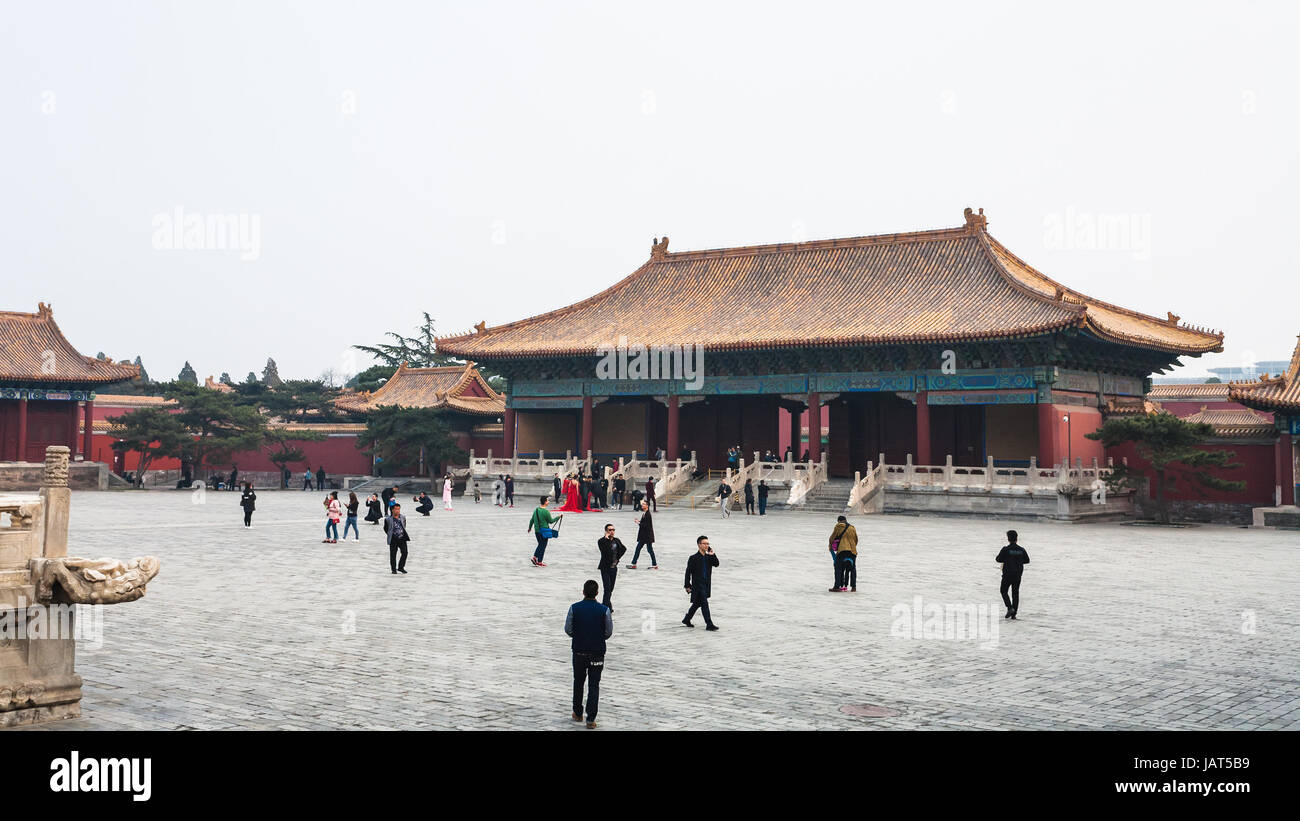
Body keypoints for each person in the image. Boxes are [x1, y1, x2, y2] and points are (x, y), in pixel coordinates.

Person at [564, 579, 612, 729]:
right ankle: (590, 719)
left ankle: (577, 712)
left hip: (579, 651)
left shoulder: (574, 608)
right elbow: (608, 632)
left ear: (583, 592)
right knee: (594, 684)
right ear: (597, 593)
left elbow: (568, 629)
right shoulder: (604, 610)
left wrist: (578, 636)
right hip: (597, 652)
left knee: (578, 681)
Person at [683, 536, 720, 630]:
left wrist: (713, 554)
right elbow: (688, 572)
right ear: (699, 545)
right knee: (704, 603)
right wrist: (687, 585)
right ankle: (709, 624)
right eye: (704, 543)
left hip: (706, 584)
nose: (707, 545)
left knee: (697, 603)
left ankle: (687, 619)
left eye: (708, 544)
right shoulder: (693, 558)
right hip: (697, 585)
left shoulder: (709, 557)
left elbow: (716, 564)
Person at [996, 530, 1030, 619]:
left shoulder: (1005, 549)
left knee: (1003, 591)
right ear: (1016, 538)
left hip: (1007, 574)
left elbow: (998, 559)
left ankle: (1010, 608)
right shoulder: (1021, 550)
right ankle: (1014, 614)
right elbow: (1027, 560)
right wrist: (1018, 560)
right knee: (1015, 593)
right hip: (1018, 575)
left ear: (1008, 539)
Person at [596, 524, 627, 611]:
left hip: (613, 568)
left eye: (613, 530)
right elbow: (604, 550)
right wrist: (606, 539)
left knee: (611, 588)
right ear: (606, 531)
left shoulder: (617, 540)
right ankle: (605, 607)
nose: (612, 531)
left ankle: (606, 604)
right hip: (605, 567)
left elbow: (624, 549)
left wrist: (617, 558)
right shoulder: (601, 541)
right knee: (607, 588)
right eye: (610, 530)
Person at [528, 497, 561, 567]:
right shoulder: (546, 512)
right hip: (544, 531)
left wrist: (529, 528)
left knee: (540, 544)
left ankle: (537, 559)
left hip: (537, 531)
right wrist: (558, 517)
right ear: (545, 502)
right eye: (548, 500)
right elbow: (551, 521)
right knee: (542, 546)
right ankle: (538, 559)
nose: (548, 501)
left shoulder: (536, 510)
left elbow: (532, 520)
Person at [829, 515, 858, 592]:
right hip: (852, 551)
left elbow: (832, 537)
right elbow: (856, 540)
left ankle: (837, 587)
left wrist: (830, 546)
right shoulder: (852, 528)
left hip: (842, 550)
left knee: (838, 568)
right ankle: (853, 587)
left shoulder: (838, 526)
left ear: (839, 521)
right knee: (852, 569)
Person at [628, 500, 657, 569]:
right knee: (645, 550)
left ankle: (654, 565)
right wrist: (639, 521)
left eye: (644, 504)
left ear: (647, 506)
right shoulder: (645, 513)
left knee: (647, 550)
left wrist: (638, 523)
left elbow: (645, 525)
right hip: (645, 536)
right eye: (642, 504)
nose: (642, 505)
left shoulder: (648, 514)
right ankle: (634, 563)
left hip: (646, 536)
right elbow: (644, 523)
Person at [384, 503, 410, 574]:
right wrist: (390, 534)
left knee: (405, 553)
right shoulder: (388, 519)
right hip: (393, 539)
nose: (397, 511)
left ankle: (401, 567)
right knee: (393, 554)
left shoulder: (403, 517)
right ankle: (393, 569)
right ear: (392, 510)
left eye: (399, 509)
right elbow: (386, 528)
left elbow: (404, 525)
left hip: (402, 538)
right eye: (396, 509)